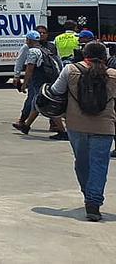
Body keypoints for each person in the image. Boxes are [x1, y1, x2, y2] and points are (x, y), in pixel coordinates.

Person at [47, 41, 116, 221]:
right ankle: (94, 202)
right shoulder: (113, 75)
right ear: (105, 56)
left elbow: (55, 91)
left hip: (76, 125)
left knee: (81, 162)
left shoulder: (70, 70)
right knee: (99, 165)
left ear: (83, 53)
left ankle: (88, 194)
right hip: (104, 127)